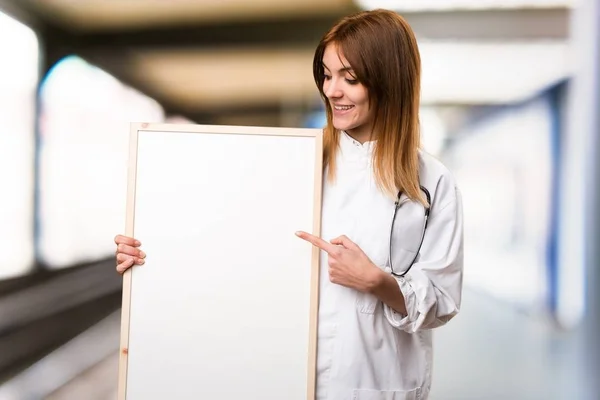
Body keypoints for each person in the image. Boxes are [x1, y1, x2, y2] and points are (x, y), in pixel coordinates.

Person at [115, 8, 463, 400]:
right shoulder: (296, 163)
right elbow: (225, 243)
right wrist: (151, 256)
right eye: (327, 76)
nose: (332, 90)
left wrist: (377, 282)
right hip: (278, 375)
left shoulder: (431, 183)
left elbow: (443, 300)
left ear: (390, 81)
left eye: (350, 78)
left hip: (378, 384)